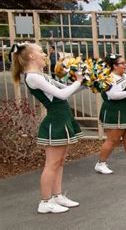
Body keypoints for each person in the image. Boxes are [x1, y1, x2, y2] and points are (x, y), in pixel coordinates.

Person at [10, 42, 84, 214]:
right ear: (31, 56)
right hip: (55, 122)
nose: (45, 54)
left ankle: (57, 195)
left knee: (60, 161)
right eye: (41, 52)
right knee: (51, 164)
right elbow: (62, 94)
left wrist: (88, 82)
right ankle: (45, 201)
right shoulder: (32, 77)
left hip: (62, 119)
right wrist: (79, 81)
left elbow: (66, 89)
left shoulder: (41, 75)